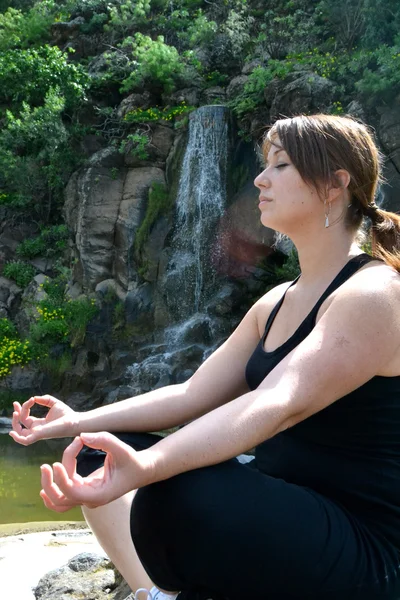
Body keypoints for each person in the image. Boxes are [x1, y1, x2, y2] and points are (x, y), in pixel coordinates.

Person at [10, 114, 400, 600]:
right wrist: (75, 420)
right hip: (287, 505)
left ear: (334, 184)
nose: (259, 179)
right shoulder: (275, 301)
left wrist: (150, 466)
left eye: (279, 165)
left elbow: (279, 402)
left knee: (177, 496)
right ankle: (152, 593)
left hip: (363, 545)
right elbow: (192, 394)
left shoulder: (375, 293)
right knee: (98, 448)